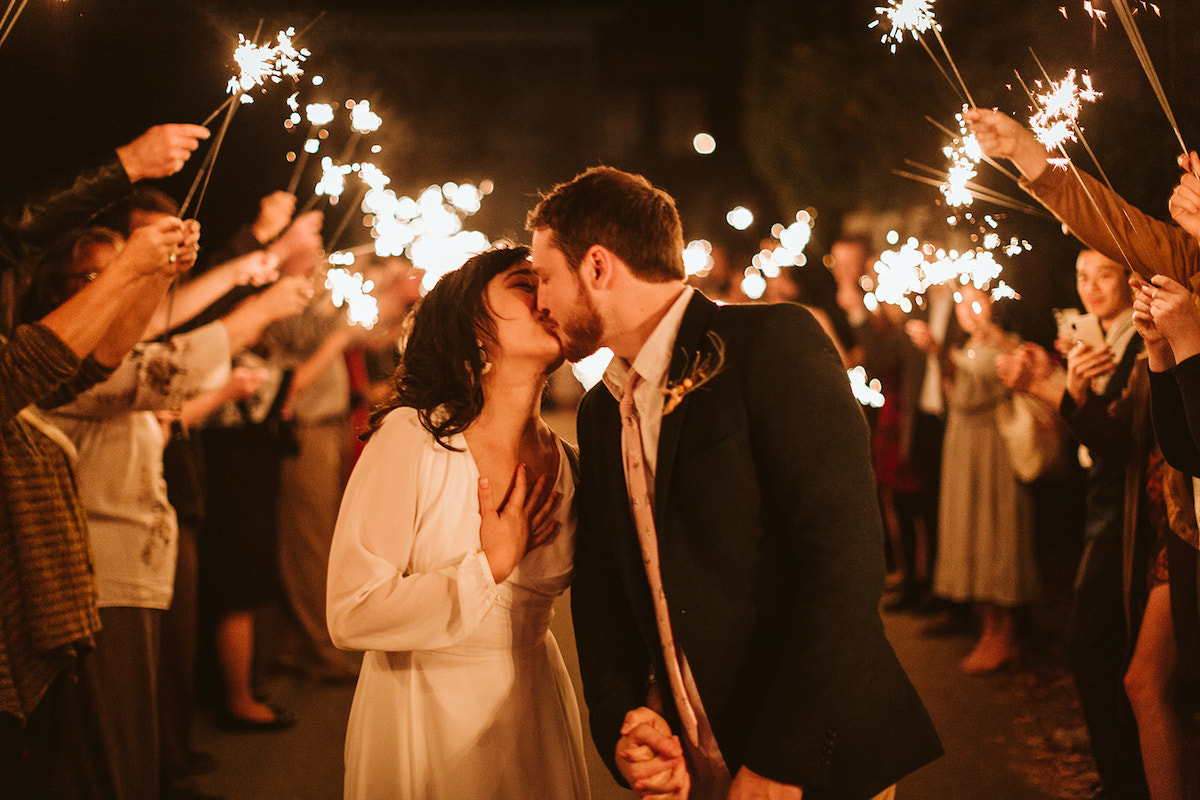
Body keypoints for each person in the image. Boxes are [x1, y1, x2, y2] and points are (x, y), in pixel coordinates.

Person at [527, 166, 941, 800]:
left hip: (814, 757)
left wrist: (783, 760)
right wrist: (621, 725)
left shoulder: (771, 346)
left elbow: (843, 568)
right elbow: (605, 587)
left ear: (598, 267)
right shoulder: (601, 411)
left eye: (545, 277)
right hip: (694, 760)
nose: (539, 302)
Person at [325, 244, 589, 800]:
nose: (547, 297)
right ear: (472, 325)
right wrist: (487, 567)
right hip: (423, 706)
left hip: (532, 704)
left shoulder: (572, 464)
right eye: (524, 283)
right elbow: (349, 613)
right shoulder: (413, 439)